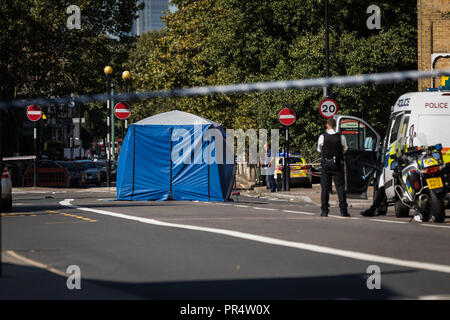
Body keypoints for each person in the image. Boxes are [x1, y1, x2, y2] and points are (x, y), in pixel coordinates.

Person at [317, 117, 350, 217]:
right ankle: (343, 211)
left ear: (327, 125)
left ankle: (324, 210)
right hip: (337, 164)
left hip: (326, 164)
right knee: (340, 188)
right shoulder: (341, 137)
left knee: (325, 188)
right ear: (335, 125)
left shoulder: (322, 137)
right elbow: (345, 149)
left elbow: (319, 149)